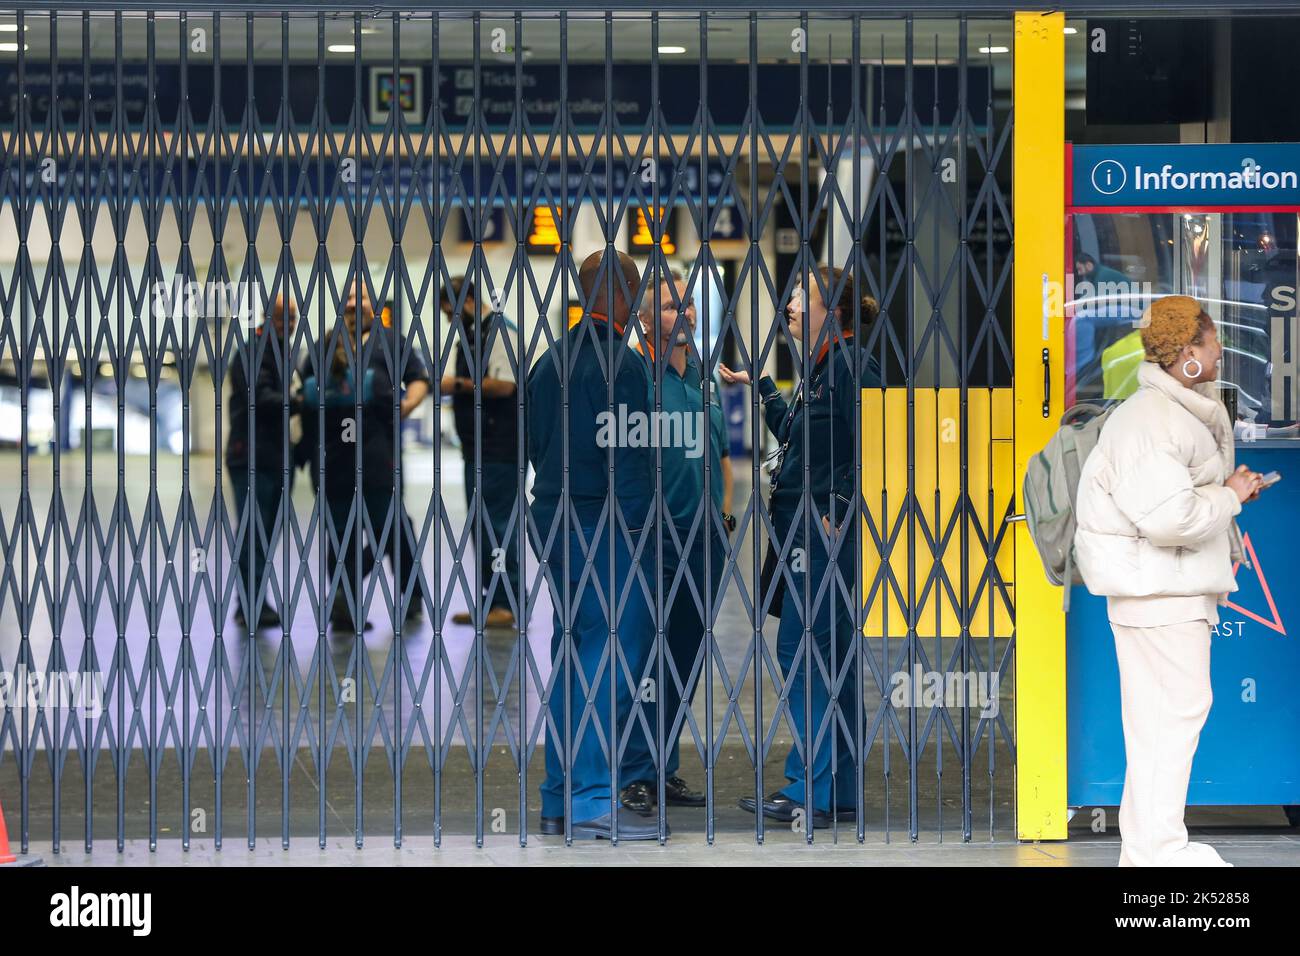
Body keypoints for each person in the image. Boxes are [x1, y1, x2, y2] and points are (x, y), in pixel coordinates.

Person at [1074, 295, 1264, 867]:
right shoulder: (1152, 421)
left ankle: (1150, 847)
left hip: (1162, 591)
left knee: (1161, 721)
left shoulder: (1167, 414)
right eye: (1211, 343)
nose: (1220, 350)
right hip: (1161, 595)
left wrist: (1226, 495)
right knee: (1170, 720)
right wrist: (1229, 495)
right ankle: (1159, 850)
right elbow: (1168, 519)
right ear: (1186, 354)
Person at [720, 266, 881, 827]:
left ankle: (809, 789)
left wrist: (840, 506)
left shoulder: (851, 367)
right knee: (827, 658)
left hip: (821, 536)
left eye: (799, 295)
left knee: (805, 654)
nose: (788, 303)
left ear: (830, 311)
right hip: (798, 534)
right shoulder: (819, 370)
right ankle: (837, 789)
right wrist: (759, 385)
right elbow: (796, 430)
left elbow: (874, 446)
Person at [526, 249, 660, 841]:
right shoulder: (624, 369)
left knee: (572, 651)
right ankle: (589, 798)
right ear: (627, 298)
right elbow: (631, 461)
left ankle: (559, 796)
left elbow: (534, 446)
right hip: (605, 526)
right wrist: (639, 531)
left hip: (553, 516)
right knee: (608, 657)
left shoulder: (547, 363)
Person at [619, 270, 734, 817]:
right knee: (647, 658)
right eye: (668, 305)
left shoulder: (706, 378)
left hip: (706, 538)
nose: (683, 312)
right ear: (643, 319)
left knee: (683, 659)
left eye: (686, 303)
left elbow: (723, 454)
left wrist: (726, 515)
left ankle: (660, 767)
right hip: (657, 540)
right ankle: (635, 772)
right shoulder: (637, 377)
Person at [299, 281, 431, 632]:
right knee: (340, 531)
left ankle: (410, 594)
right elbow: (303, 392)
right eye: (351, 300)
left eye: (363, 299)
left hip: (377, 455)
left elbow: (419, 378)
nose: (356, 305)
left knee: (391, 525)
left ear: (375, 306)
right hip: (333, 458)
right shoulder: (323, 346)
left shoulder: (391, 342)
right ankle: (344, 601)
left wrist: (405, 406)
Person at [440, 277, 525, 630]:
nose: (449, 321)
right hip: (479, 448)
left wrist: (454, 385)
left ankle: (508, 602)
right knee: (482, 526)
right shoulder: (474, 335)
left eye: (451, 313)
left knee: (498, 525)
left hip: (499, 448)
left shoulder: (500, 333)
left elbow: (506, 385)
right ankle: (493, 601)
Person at [226, 293, 301, 631]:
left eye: (294, 319)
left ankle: (251, 603)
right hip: (252, 457)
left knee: (266, 533)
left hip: (275, 457)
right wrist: (302, 400)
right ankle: (251, 603)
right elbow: (261, 397)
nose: (290, 325)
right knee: (254, 532)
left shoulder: (282, 354)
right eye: (285, 319)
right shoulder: (251, 353)